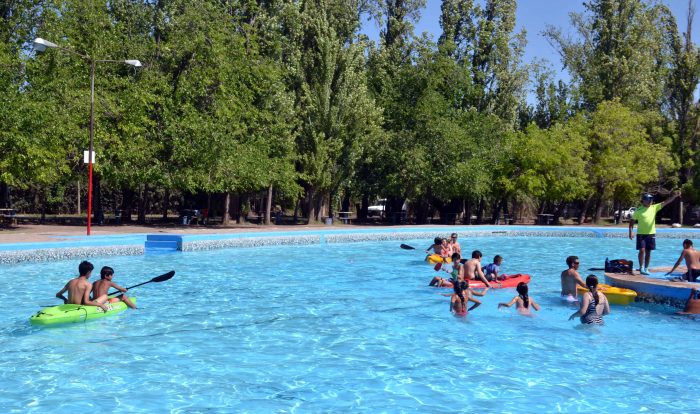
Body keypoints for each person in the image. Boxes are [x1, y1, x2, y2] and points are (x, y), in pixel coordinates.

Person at [629, 191, 681, 275]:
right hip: (641, 234)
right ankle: (641, 267)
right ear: (644, 200)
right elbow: (631, 222)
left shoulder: (654, 207)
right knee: (642, 250)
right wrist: (630, 232)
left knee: (648, 252)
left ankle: (646, 268)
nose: (650, 201)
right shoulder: (638, 210)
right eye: (648, 199)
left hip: (651, 234)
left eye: (651, 199)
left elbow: (665, 202)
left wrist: (674, 196)